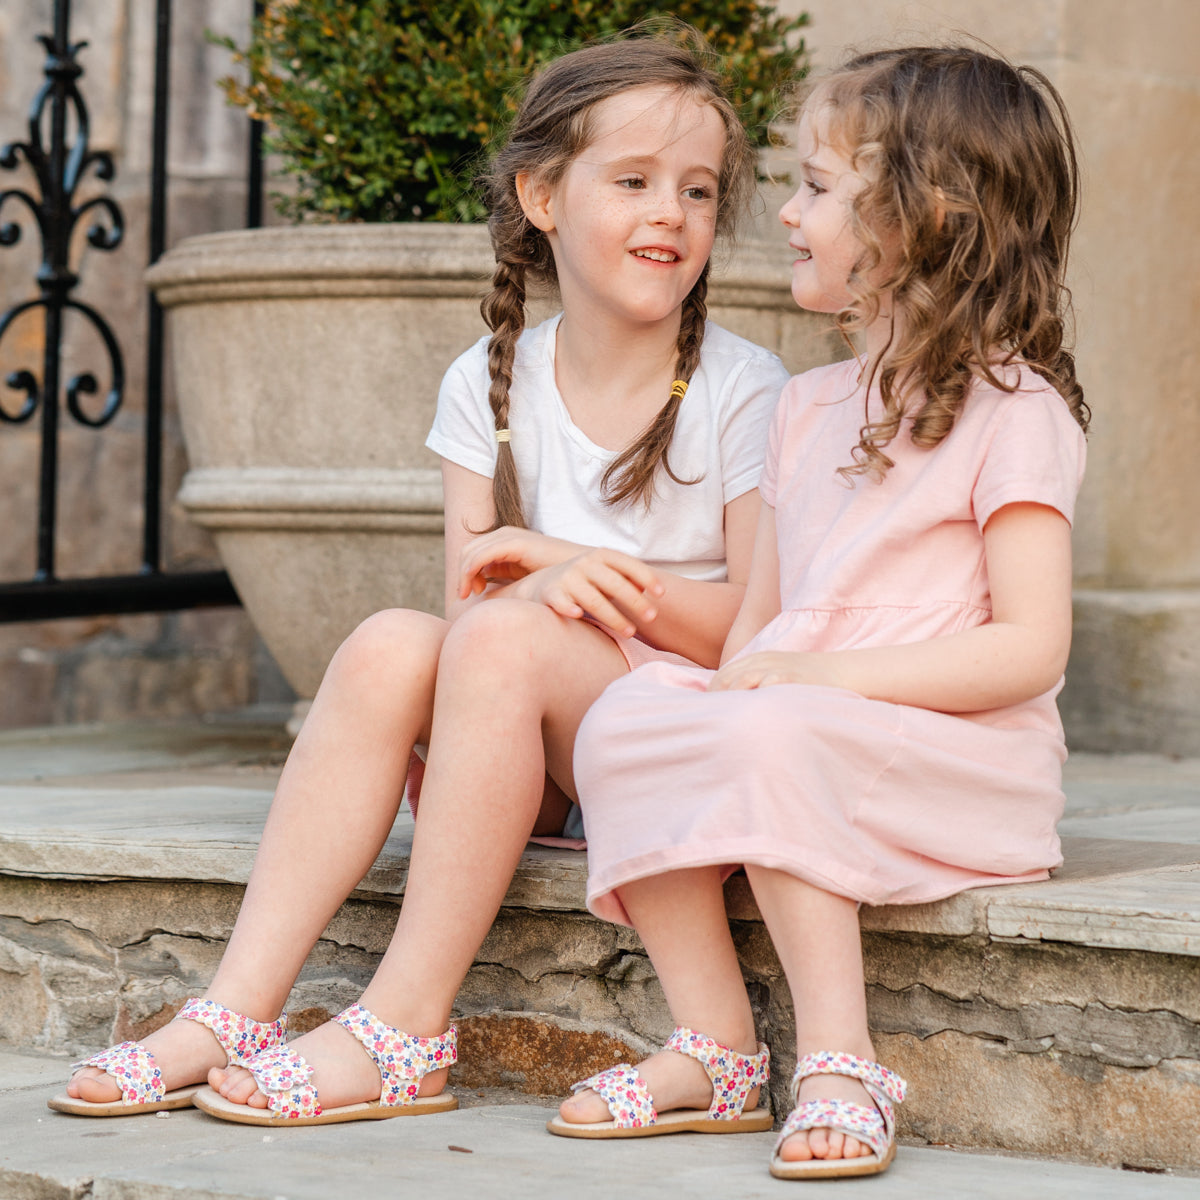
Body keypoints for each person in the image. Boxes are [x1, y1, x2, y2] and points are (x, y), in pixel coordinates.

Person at [48, 31, 790, 1125]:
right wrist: (538, 591)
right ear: (542, 194)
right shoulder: (486, 386)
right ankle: (238, 1006)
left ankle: (405, 1024)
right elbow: (470, 616)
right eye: (632, 181)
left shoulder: (746, 388)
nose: (671, 212)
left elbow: (754, 637)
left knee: (498, 637)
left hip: (672, 746)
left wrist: (584, 574)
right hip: (531, 756)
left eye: (697, 188)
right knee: (394, 642)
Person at [550, 45, 1089, 1182]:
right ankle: (717, 1045)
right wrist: (706, 685)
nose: (784, 213)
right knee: (629, 716)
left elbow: (1030, 649)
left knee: (772, 725)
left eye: (816, 187)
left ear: (923, 217)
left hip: (962, 758)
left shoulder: (1017, 411)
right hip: (805, 723)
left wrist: (809, 684)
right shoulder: (803, 409)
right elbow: (766, 628)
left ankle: (840, 1063)